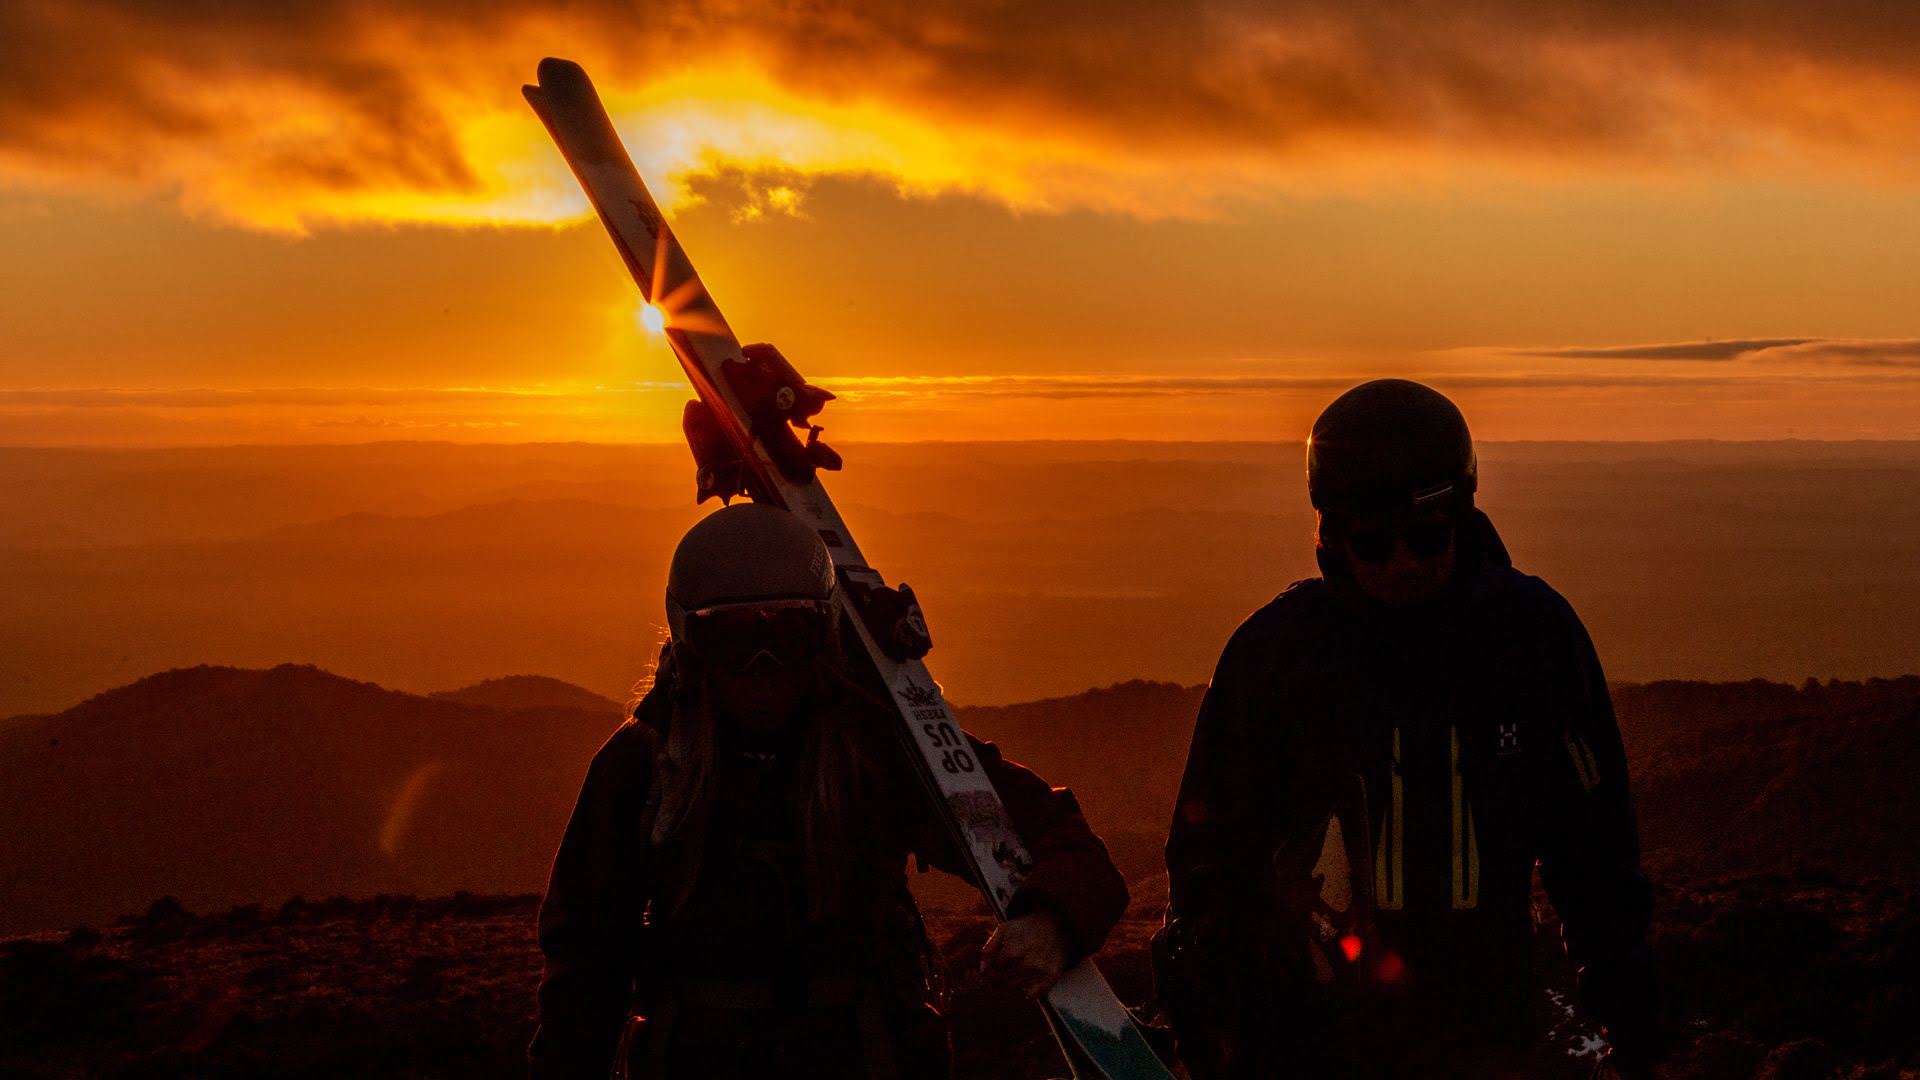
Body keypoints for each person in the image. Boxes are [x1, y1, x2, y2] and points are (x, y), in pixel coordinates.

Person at [1155, 380, 1664, 1078]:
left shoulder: (1532, 642)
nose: (1403, 563)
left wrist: (1630, 1028)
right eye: (1373, 542)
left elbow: (1596, 859)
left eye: (1428, 538)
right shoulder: (1276, 658)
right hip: (1308, 1049)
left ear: (1463, 518)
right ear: (1330, 535)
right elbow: (1208, 856)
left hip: (1484, 1044)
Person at [529, 503, 1128, 1080]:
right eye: (734, 637)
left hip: (863, 1058)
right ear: (693, 647)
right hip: (709, 1060)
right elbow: (584, 962)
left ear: (824, 632)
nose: (764, 664)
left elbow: (1056, 831)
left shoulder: (881, 750)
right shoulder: (644, 767)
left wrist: (1054, 918)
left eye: (789, 631)